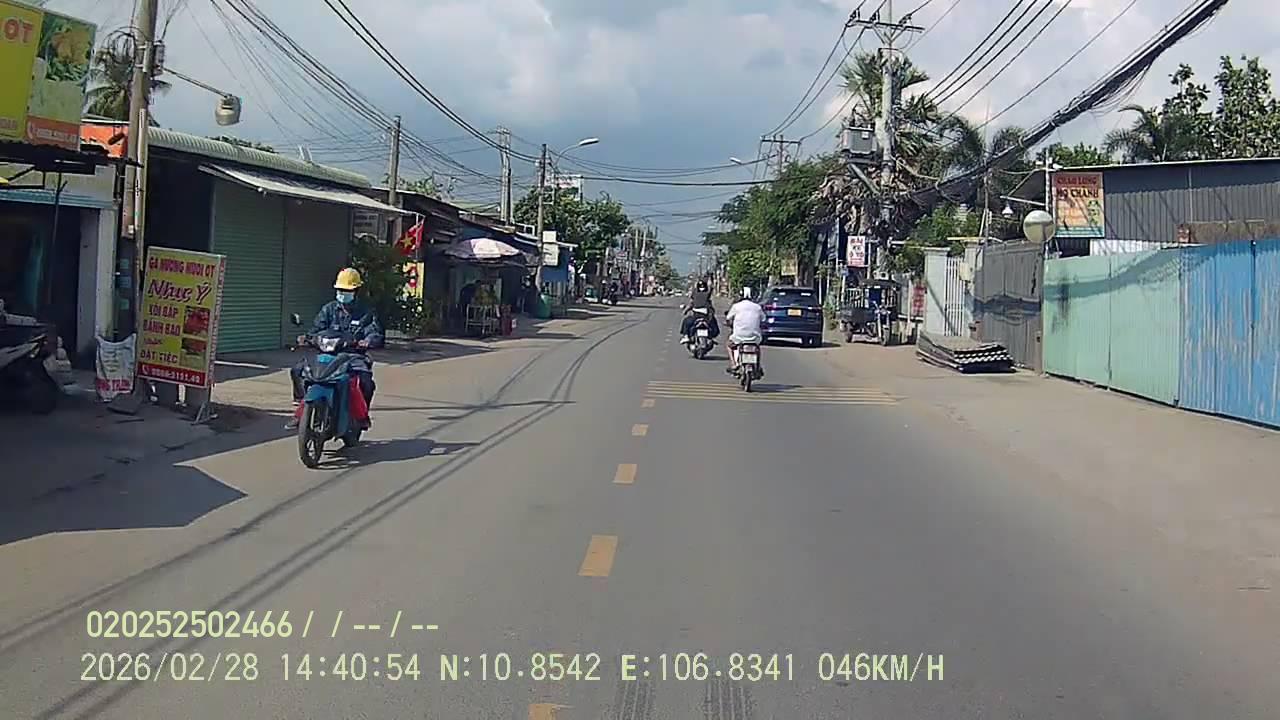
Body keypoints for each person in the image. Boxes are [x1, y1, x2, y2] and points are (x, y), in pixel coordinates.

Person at [286, 267, 384, 430]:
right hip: (326, 354)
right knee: (298, 370)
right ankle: (301, 409)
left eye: (347, 291)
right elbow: (316, 329)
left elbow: (374, 332)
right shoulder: (329, 309)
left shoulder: (365, 313)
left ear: (356, 291)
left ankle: (361, 416)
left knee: (366, 382)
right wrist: (306, 338)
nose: (343, 294)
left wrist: (367, 341)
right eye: (340, 290)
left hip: (352, 356)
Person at [725, 286, 765, 376]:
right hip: (754, 337)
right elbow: (763, 319)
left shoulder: (736, 306)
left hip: (739, 337)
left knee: (729, 345)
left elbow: (728, 318)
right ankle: (758, 366)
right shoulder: (757, 307)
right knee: (757, 349)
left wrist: (729, 323)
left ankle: (734, 364)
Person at [679, 278, 719, 344]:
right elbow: (710, 288)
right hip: (706, 317)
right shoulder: (707, 294)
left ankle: (686, 336)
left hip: (697, 317)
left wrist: (685, 311)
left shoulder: (695, 293)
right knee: (713, 323)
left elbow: (690, 305)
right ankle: (712, 337)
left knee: (686, 321)